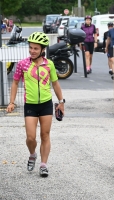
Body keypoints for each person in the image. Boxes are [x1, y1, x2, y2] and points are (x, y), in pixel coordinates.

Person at [6, 32, 65, 178]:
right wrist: (11, 102)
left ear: (42, 50)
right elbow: (14, 82)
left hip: (46, 103)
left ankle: (43, 165)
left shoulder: (49, 64)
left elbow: (55, 84)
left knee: (45, 135)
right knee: (30, 137)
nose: (32, 51)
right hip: (30, 104)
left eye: (36, 49)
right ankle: (32, 154)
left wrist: (61, 102)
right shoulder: (22, 64)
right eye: (31, 48)